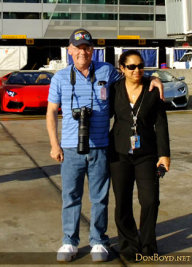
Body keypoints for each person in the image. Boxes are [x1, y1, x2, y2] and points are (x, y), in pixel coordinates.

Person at [46, 28, 164, 262]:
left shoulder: (107, 71)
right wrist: (54, 144)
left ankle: (98, 240)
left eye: (87, 48)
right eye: (78, 48)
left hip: (101, 147)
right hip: (70, 148)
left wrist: (154, 77)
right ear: (70, 50)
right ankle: (69, 241)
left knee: (99, 197)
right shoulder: (59, 77)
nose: (83, 52)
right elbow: (51, 112)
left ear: (93, 50)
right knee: (71, 196)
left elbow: (133, 75)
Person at [109, 50, 170, 261]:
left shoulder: (153, 89)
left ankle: (148, 245)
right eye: (132, 66)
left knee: (150, 200)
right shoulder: (114, 89)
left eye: (141, 66)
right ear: (122, 69)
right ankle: (128, 246)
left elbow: (161, 123)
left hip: (147, 154)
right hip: (119, 154)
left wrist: (164, 154)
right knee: (122, 203)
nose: (137, 70)